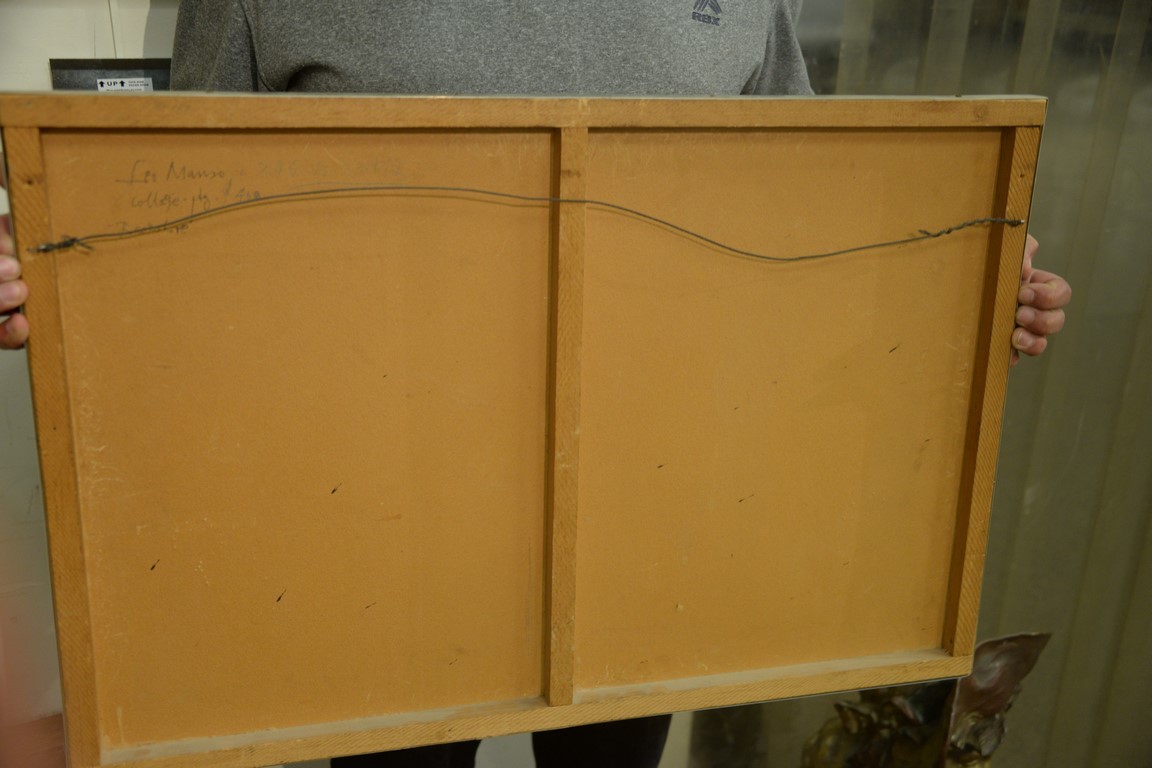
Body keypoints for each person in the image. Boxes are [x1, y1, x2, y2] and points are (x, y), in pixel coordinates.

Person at [0, 2, 1072, 765]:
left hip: (647, 508)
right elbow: (174, 242)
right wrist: (49, 272)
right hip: (366, 516)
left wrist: (963, 287)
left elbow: (799, 206)